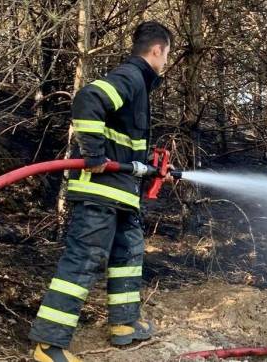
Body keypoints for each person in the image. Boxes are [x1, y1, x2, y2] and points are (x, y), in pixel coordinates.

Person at [30, 21, 173, 362]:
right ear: (157, 50)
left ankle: (124, 325)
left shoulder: (139, 85)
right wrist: (93, 153)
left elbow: (123, 139)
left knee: (128, 255)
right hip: (100, 192)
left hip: (121, 193)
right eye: (166, 54)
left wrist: (144, 164)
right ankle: (48, 346)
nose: (165, 62)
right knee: (83, 262)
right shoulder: (130, 76)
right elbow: (89, 98)